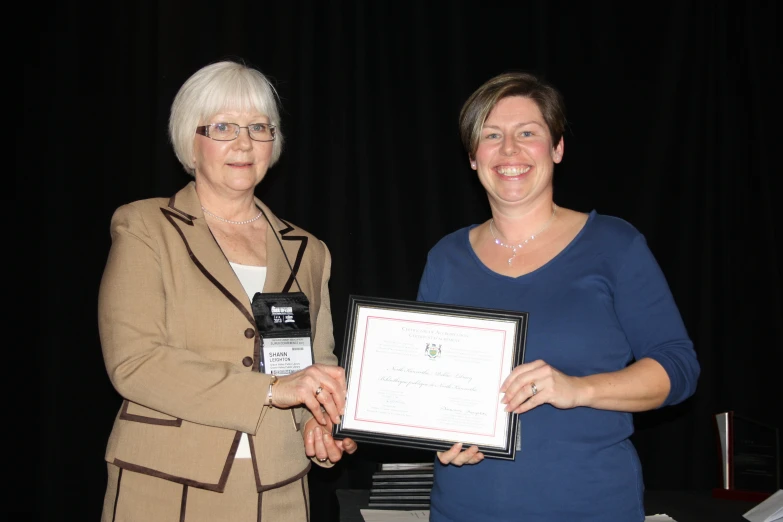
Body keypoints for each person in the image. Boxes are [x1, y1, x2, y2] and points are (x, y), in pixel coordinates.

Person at [416, 72, 700, 521]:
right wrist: (437, 435)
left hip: (588, 505)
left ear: (557, 148)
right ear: (473, 157)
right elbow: (426, 382)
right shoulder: (445, 258)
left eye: (528, 133)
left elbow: (679, 368)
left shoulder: (614, 245)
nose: (509, 149)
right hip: (463, 508)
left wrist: (577, 388)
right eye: (492, 135)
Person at [98, 60, 356, 522]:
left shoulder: (309, 250)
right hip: (163, 484)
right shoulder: (145, 227)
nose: (243, 142)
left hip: (278, 487)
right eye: (223, 127)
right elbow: (134, 362)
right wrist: (272, 391)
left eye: (259, 127)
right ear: (190, 141)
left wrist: (323, 422)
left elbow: (317, 363)